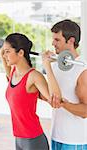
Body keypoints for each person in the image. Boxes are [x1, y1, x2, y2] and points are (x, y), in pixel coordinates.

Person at [0, 33, 62, 150]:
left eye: (7, 51)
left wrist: (47, 65)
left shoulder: (33, 76)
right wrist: (3, 50)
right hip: (18, 138)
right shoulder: (13, 74)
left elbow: (55, 99)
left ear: (21, 53)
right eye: (4, 51)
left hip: (33, 140)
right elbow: (2, 56)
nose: (4, 55)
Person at [42, 19, 87, 150]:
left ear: (71, 41)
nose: (52, 43)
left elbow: (85, 111)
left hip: (75, 140)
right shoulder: (55, 66)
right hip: (56, 135)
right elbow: (51, 96)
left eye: (57, 40)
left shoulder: (82, 70)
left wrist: (63, 104)